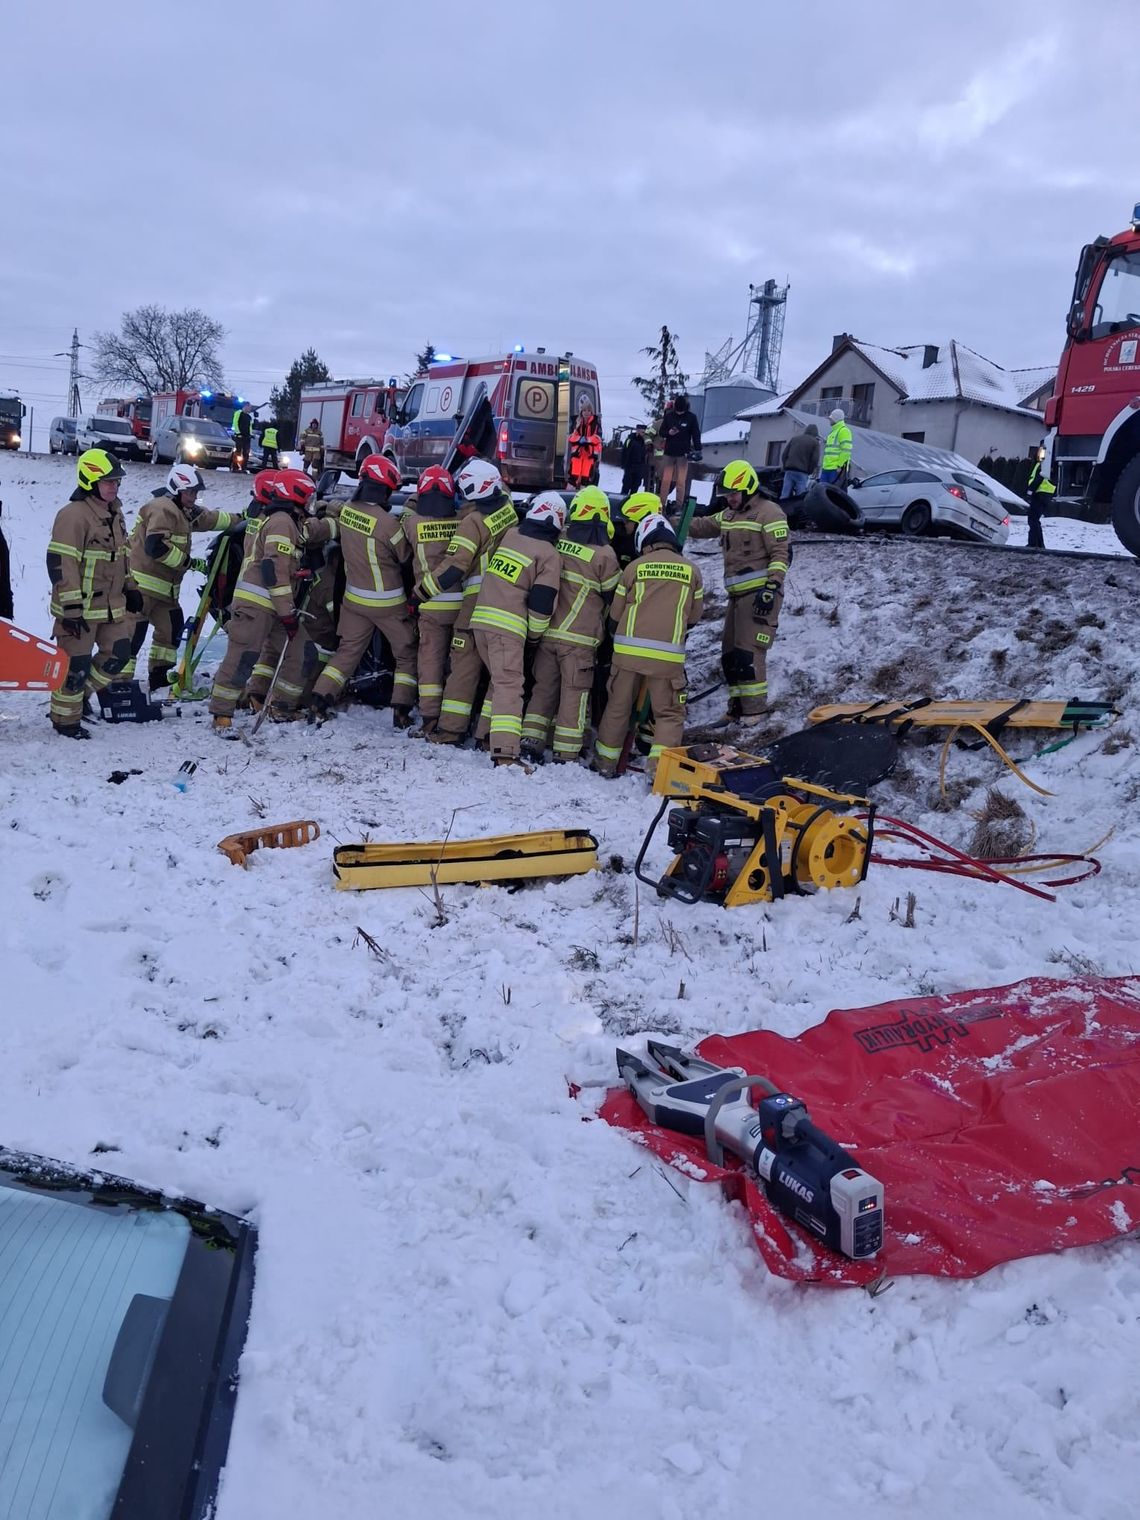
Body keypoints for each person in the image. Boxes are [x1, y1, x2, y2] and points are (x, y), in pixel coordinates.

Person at [592, 512, 704, 779]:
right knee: (668, 713)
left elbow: (616, 614)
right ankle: (658, 770)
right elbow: (695, 616)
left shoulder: (634, 568)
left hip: (627, 655)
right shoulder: (692, 571)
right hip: (667, 658)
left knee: (618, 707)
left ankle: (605, 763)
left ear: (646, 542)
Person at [309, 454, 417, 728]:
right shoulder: (388, 523)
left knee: (346, 653)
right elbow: (405, 556)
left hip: (354, 600)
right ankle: (401, 710)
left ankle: (319, 700)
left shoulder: (348, 511)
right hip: (388, 602)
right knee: (406, 653)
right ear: (385, 488)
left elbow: (336, 514)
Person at [207, 468, 315, 731]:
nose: (312, 501)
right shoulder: (281, 522)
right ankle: (222, 714)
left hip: (276, 605)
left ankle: (281, 707)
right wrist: (288, 613)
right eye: (309, 496)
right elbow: (273, 570)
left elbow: (282, 566)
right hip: (258, 604)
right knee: (243, 656)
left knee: (303, 652)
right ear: (296, 494)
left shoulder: (289, 521)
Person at [45, 449, 143, 737]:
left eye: (116, 481)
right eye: (108, 481)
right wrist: (71, 608)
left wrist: (132, 587)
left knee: (119, 654)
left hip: (112, 607)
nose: (114, 486)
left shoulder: (116, 515)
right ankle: (65, 721)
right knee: (75, 665)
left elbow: (123, 557)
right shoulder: (73, 515)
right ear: (90, 481)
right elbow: (62, 565)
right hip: (80, 610)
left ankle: (80, 697)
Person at [521, 485, 621, 764]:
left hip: (548, 634)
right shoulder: (605, 556)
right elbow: (616, 597)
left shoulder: (557, 542)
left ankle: (530, 740)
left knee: (543, 689)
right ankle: (566, 752)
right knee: (573, 696)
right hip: (579, 641)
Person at [422, 459, 518, 746]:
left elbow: (454, 567)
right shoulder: (509, 510)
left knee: (464, 666)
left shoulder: (471, 522)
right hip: (508, 601)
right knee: (499, 673)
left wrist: (421, 591)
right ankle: (486, 734)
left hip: (476, 603)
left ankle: (450, 730)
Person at [687, 458, 789, 724]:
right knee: (730, 655)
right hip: (736, 597)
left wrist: (772, 586)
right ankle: (736, 709)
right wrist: (673, 520)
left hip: (759, 596)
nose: (729, 499)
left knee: (749, 653)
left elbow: (781, 552)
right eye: (727, 494)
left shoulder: (770, 513)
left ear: (748, 489)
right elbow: (702, 525)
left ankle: (754, 712)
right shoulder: (730, 515)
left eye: (733, 493)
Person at [468, 493, 564, 766]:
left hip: (481, 621)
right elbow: (542, 604)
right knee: (510, 686)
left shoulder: (511, 535)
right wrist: (534, 636)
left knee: (499, 682)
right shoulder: (548, 554)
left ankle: (485, 735)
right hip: (507, 628)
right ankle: (505, 754)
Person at [126, 463, 238, 691]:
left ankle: (158, 677)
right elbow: (155, 546)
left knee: (171, 630)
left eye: (196, 492)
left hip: (165, 592)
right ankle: (119, 685)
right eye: (190, 492)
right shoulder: (162, 508)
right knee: (132, 636)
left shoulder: (182, 511)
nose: (194, 497)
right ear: (176, 489)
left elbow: (210, 520)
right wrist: (190, 563)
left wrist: (242, 517)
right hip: (140, 587)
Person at [401, 465, 459, 737]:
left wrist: (415, 498)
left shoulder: (412, 524)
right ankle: (455, 718)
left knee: (430, 662)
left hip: (430, 603)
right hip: (462, 605)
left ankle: (430, 717)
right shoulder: (463, 521)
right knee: (460, 665)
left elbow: (405, 519)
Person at [655, 394, 701, 513]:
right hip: (669, 453)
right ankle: (661, 504)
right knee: (665, 480)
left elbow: (696, 434)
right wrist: (668, 432)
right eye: (678, 411)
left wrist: (698, 449)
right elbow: (662, 432)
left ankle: (679, 506)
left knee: (681, 481)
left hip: (683, 454)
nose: (679, 413)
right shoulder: (669, 416)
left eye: (682, 411)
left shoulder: (691, 417)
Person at [1026, 445, 1055, 550]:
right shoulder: (1047, 464)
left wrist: (1030, 491)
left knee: (1032, 519)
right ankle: (1038, 544)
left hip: (1039, 494)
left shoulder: (1042, 465)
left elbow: (1038, 478)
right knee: (1035, 520)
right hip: (1045, 495)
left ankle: (1034, 543)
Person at [780, 424, 820, 500]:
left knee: (784, 494)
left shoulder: (794, 439)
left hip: (789, 470)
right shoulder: (815, 442)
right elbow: (815, 460)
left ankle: (781, 510)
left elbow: (784, 455)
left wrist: (785, 466)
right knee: (800, 497)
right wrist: (809, 471)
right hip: (802, 472)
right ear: (815, 434)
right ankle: (797, 511)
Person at [568, 401, 602, 488]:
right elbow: (571, 437)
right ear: (581, 412)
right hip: (577, 454)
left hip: (589, 455)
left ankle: (583, 498)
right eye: (584, 410)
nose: (586, 413)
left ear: (591, 412)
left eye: (588, 410)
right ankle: (568, 496)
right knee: (573, 478)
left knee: (585, 479)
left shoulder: (596, 423)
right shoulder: (577, 422)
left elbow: (598, 438)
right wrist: (579, 439)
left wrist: (587, 439)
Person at [820, 408, 852, 484]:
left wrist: (839, 466)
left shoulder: (844, 431)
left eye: (831, 418)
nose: (829, 420)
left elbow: (846, 451)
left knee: (833, 493)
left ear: (836, 419)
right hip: (826, 468)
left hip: (835, 470)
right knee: (824, 493)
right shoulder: (833, 432)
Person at [620, 425, 648, 495]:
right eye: (642, 431)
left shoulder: (646, 441)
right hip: (630, 466)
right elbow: (624, 451)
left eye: (644, 432)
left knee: (635, 486)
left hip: (640, 467)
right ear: (637, 430)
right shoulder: (630, 439)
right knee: (626, 485)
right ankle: (623, 500)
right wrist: (624, 464)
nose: (643, 433)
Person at [231, 403, 254, 472]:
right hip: (240, 436)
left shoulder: (249, 417)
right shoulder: (238, 413)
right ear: (245, 407)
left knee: (246, 453)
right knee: (238, 452)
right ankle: (235, 467)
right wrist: (238, 433)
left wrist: (250, 434)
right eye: (249, 407)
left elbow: (250, 427)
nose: (250, 409)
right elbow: (235, 423)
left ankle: (244, 468)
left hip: (247, 437)